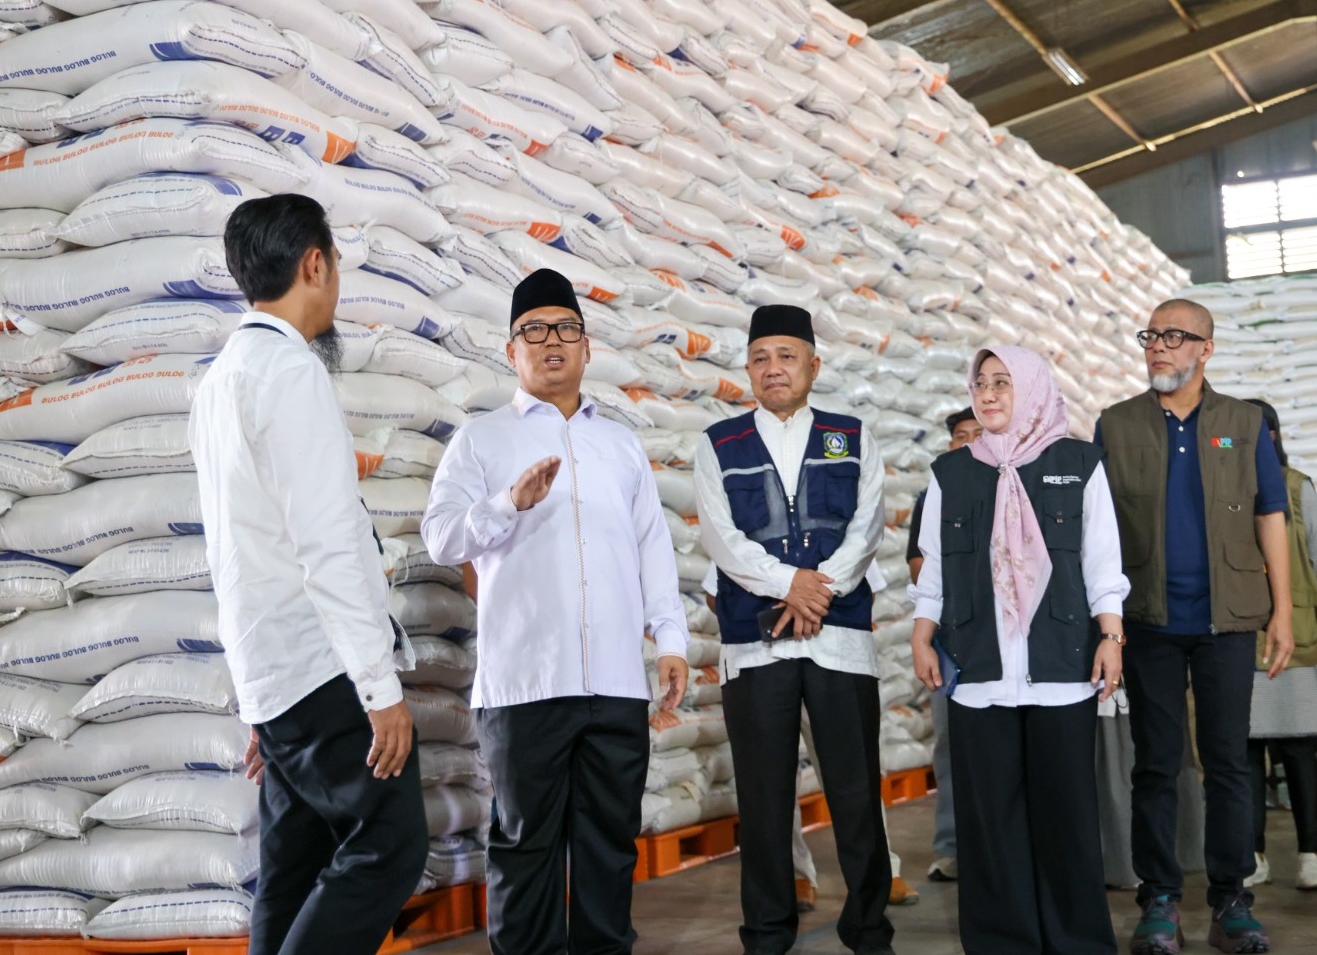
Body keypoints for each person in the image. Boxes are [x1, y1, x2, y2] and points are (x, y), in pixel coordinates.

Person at [421, 268, 691, 955]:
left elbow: (650, 547)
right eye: (533, 331)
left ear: (586, 347)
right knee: (525, 846)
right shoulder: (480, 442)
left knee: (607, 848)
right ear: (510, 350)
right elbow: (441, 536)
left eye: (566, 330)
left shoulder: (622, 445)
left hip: (614, 686)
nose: (551, 343)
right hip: (524, 685)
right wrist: (508, 503)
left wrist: (671, 638)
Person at [190, 194, 426, 955]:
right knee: (390, 843)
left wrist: (255, 694)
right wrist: (379, 687)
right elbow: (326, 544)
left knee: (291, 866)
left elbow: (230, 550)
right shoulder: (290, 371)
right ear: (313, 263)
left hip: (274, 666)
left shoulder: (219, 379)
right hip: (321, 664)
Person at [910, 345, 1128, 955]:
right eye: (981, 383)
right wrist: (922, 632)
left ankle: (1077, 942)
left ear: (1031, 388)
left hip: (1061, 667)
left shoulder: (1079, 464)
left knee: (1067, 819)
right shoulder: (949, 473)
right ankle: (1002, 942)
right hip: (979, 672)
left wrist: (1110, 636)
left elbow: (1103, 564)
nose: (989, 394)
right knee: (989, 823)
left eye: (1003, 382)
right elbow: (932, 573)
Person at [694, 304, 895, 955]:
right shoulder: (718, 443)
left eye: (785, 355)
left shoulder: (850, 434)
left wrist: (819, 586)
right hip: (756, 644)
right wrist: (791, 585)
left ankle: (867, 927)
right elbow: (722, 538)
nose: (772, 368)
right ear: (747, 369)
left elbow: (866, 526)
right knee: (762, 797)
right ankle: (767, 932)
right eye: (760, 358)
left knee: (855, 792)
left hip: (839, 637)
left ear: (812, 362)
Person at [1096, 299, 1294, 955]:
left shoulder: (1242, 421)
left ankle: (1231, 899)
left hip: (1228, 618)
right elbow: (1097, 530)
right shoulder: (1117, 423)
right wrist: (1107, 626)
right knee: (1153, 764)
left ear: (1205, 349)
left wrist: (1283, 610)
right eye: (1150, 334)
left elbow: (1271, 513)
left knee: (1229, 763)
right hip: (1146, 618)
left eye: (1174, 336)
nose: (1157, 346)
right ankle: (1158, 899)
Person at [700, 562, 919, 912]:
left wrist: (810, 605)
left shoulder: (838, 518)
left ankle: (883, 871)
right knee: (774, 782)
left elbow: (867, 584)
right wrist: (778, 607)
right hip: (768, 659)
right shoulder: (745, 529)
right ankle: (797, 875)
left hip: (830, 659)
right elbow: (715, 593)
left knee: (855, 777)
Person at [1242, 399, 1317, 891]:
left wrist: (1297, 608)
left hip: (1291, 643)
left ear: (1274, 436)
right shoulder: (1216, 489)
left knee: (1295, 750)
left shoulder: (1296, 487)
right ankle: (1256, 854)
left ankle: (1307, 854)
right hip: (1239, 641)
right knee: (1242, 755)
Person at [905, 406, 981, 884]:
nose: (969, 441)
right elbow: (918, 565)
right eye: (960, 435)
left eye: (978, 432)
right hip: (953, 640)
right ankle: (952, 846)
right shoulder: (935, 493)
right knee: (952, 747)